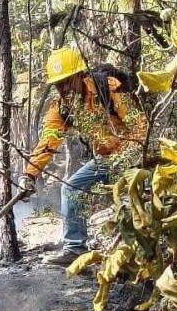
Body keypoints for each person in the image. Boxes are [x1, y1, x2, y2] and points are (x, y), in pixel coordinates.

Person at [19, 47, 148, 266]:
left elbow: (139, 126)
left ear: (80, 76)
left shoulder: (109, 89)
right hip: (105, 159)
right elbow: (47, 142)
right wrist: (29, 175)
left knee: (139, 200)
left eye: (67, 82)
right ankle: (75, 248)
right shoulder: (61, 108)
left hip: (132, 154)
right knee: (70, 187)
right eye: (58, 85)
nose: (62, 89)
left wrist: (129, 155)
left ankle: (145, 249)